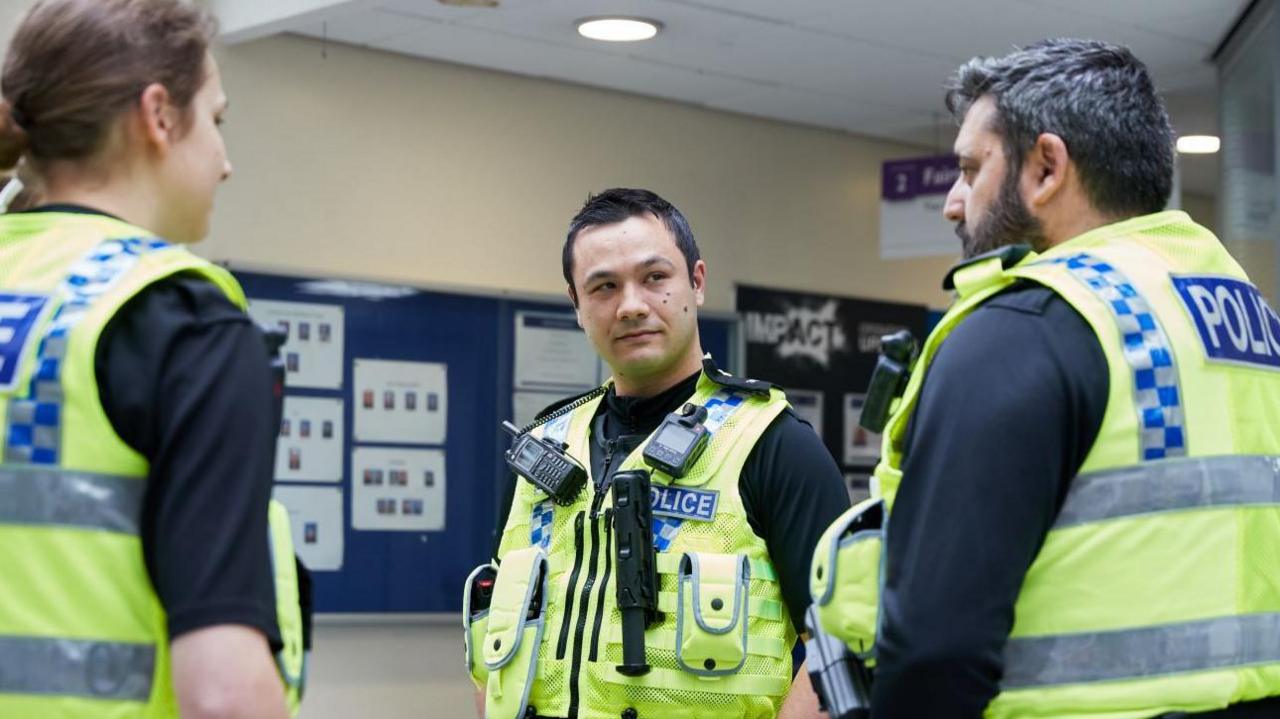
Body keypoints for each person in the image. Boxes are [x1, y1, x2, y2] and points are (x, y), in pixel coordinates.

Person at [808, 39, 1280, 718]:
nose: (952, 202)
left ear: (1046, 167)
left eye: (971, 170)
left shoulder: (1024, 327)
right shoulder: (1248, 320)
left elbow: (937, 652)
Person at [0, 1, 305, 716]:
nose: (225, 163)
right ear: (159, 115)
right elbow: (223, 692)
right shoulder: (180, 318)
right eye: (217, 120)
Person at [466, 188, 849, 719]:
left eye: (654, 278)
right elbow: (494, 637)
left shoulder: (774, 445)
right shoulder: (542, 451)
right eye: (603, 287)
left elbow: (845, 637)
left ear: (696, 281)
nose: (630, 305)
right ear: (577, 305)